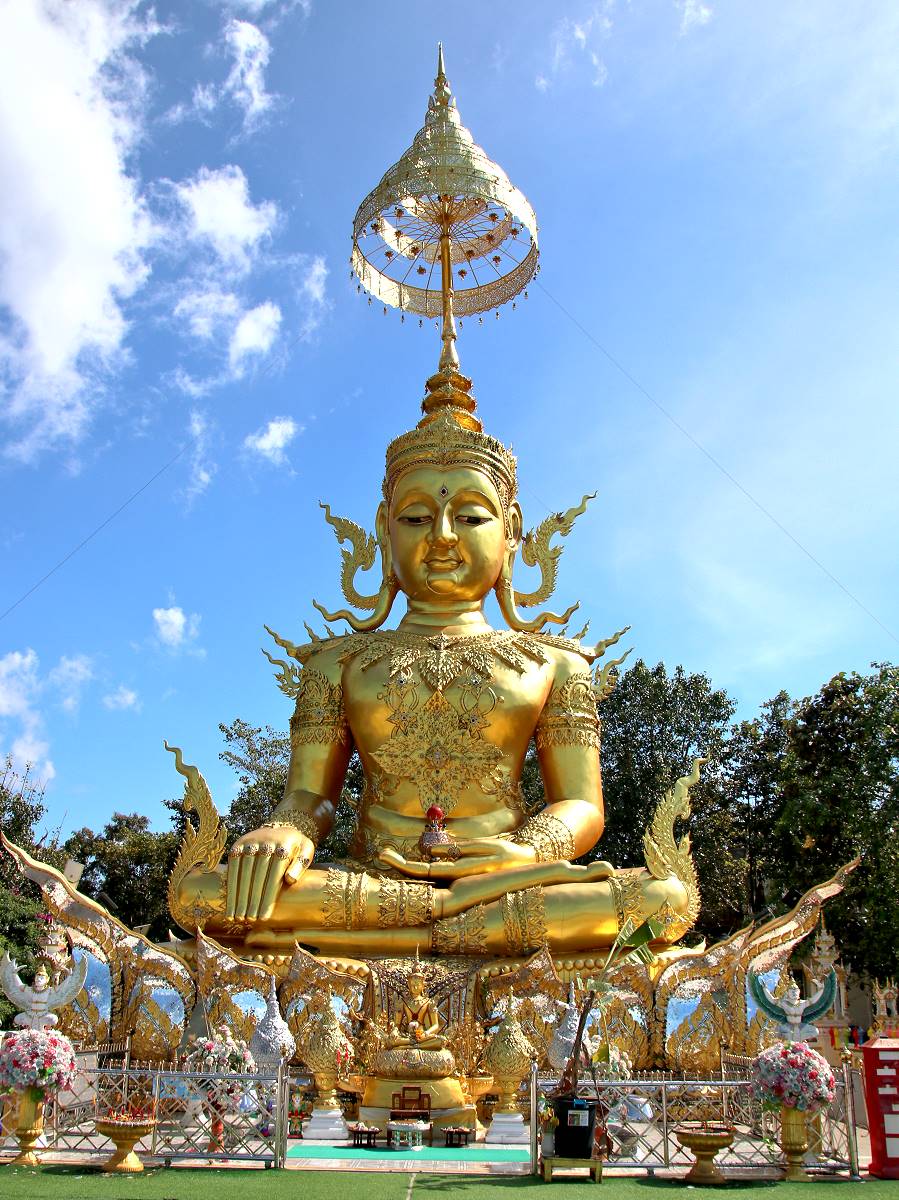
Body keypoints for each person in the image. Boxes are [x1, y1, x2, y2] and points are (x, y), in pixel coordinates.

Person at [174, 377, 697, 958]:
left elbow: (580, 805)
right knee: (202, 896)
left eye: (471, 518)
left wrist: (527, 852)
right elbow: (309, 795)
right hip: (372, 877)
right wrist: (284, 833)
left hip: (508, 878)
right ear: (383, 528)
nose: (443, 537)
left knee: (664, 898)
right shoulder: (337, 663)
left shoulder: (555, 664)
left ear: (512, 531)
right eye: (417, 519)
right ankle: (447, 918)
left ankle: (424, 922)